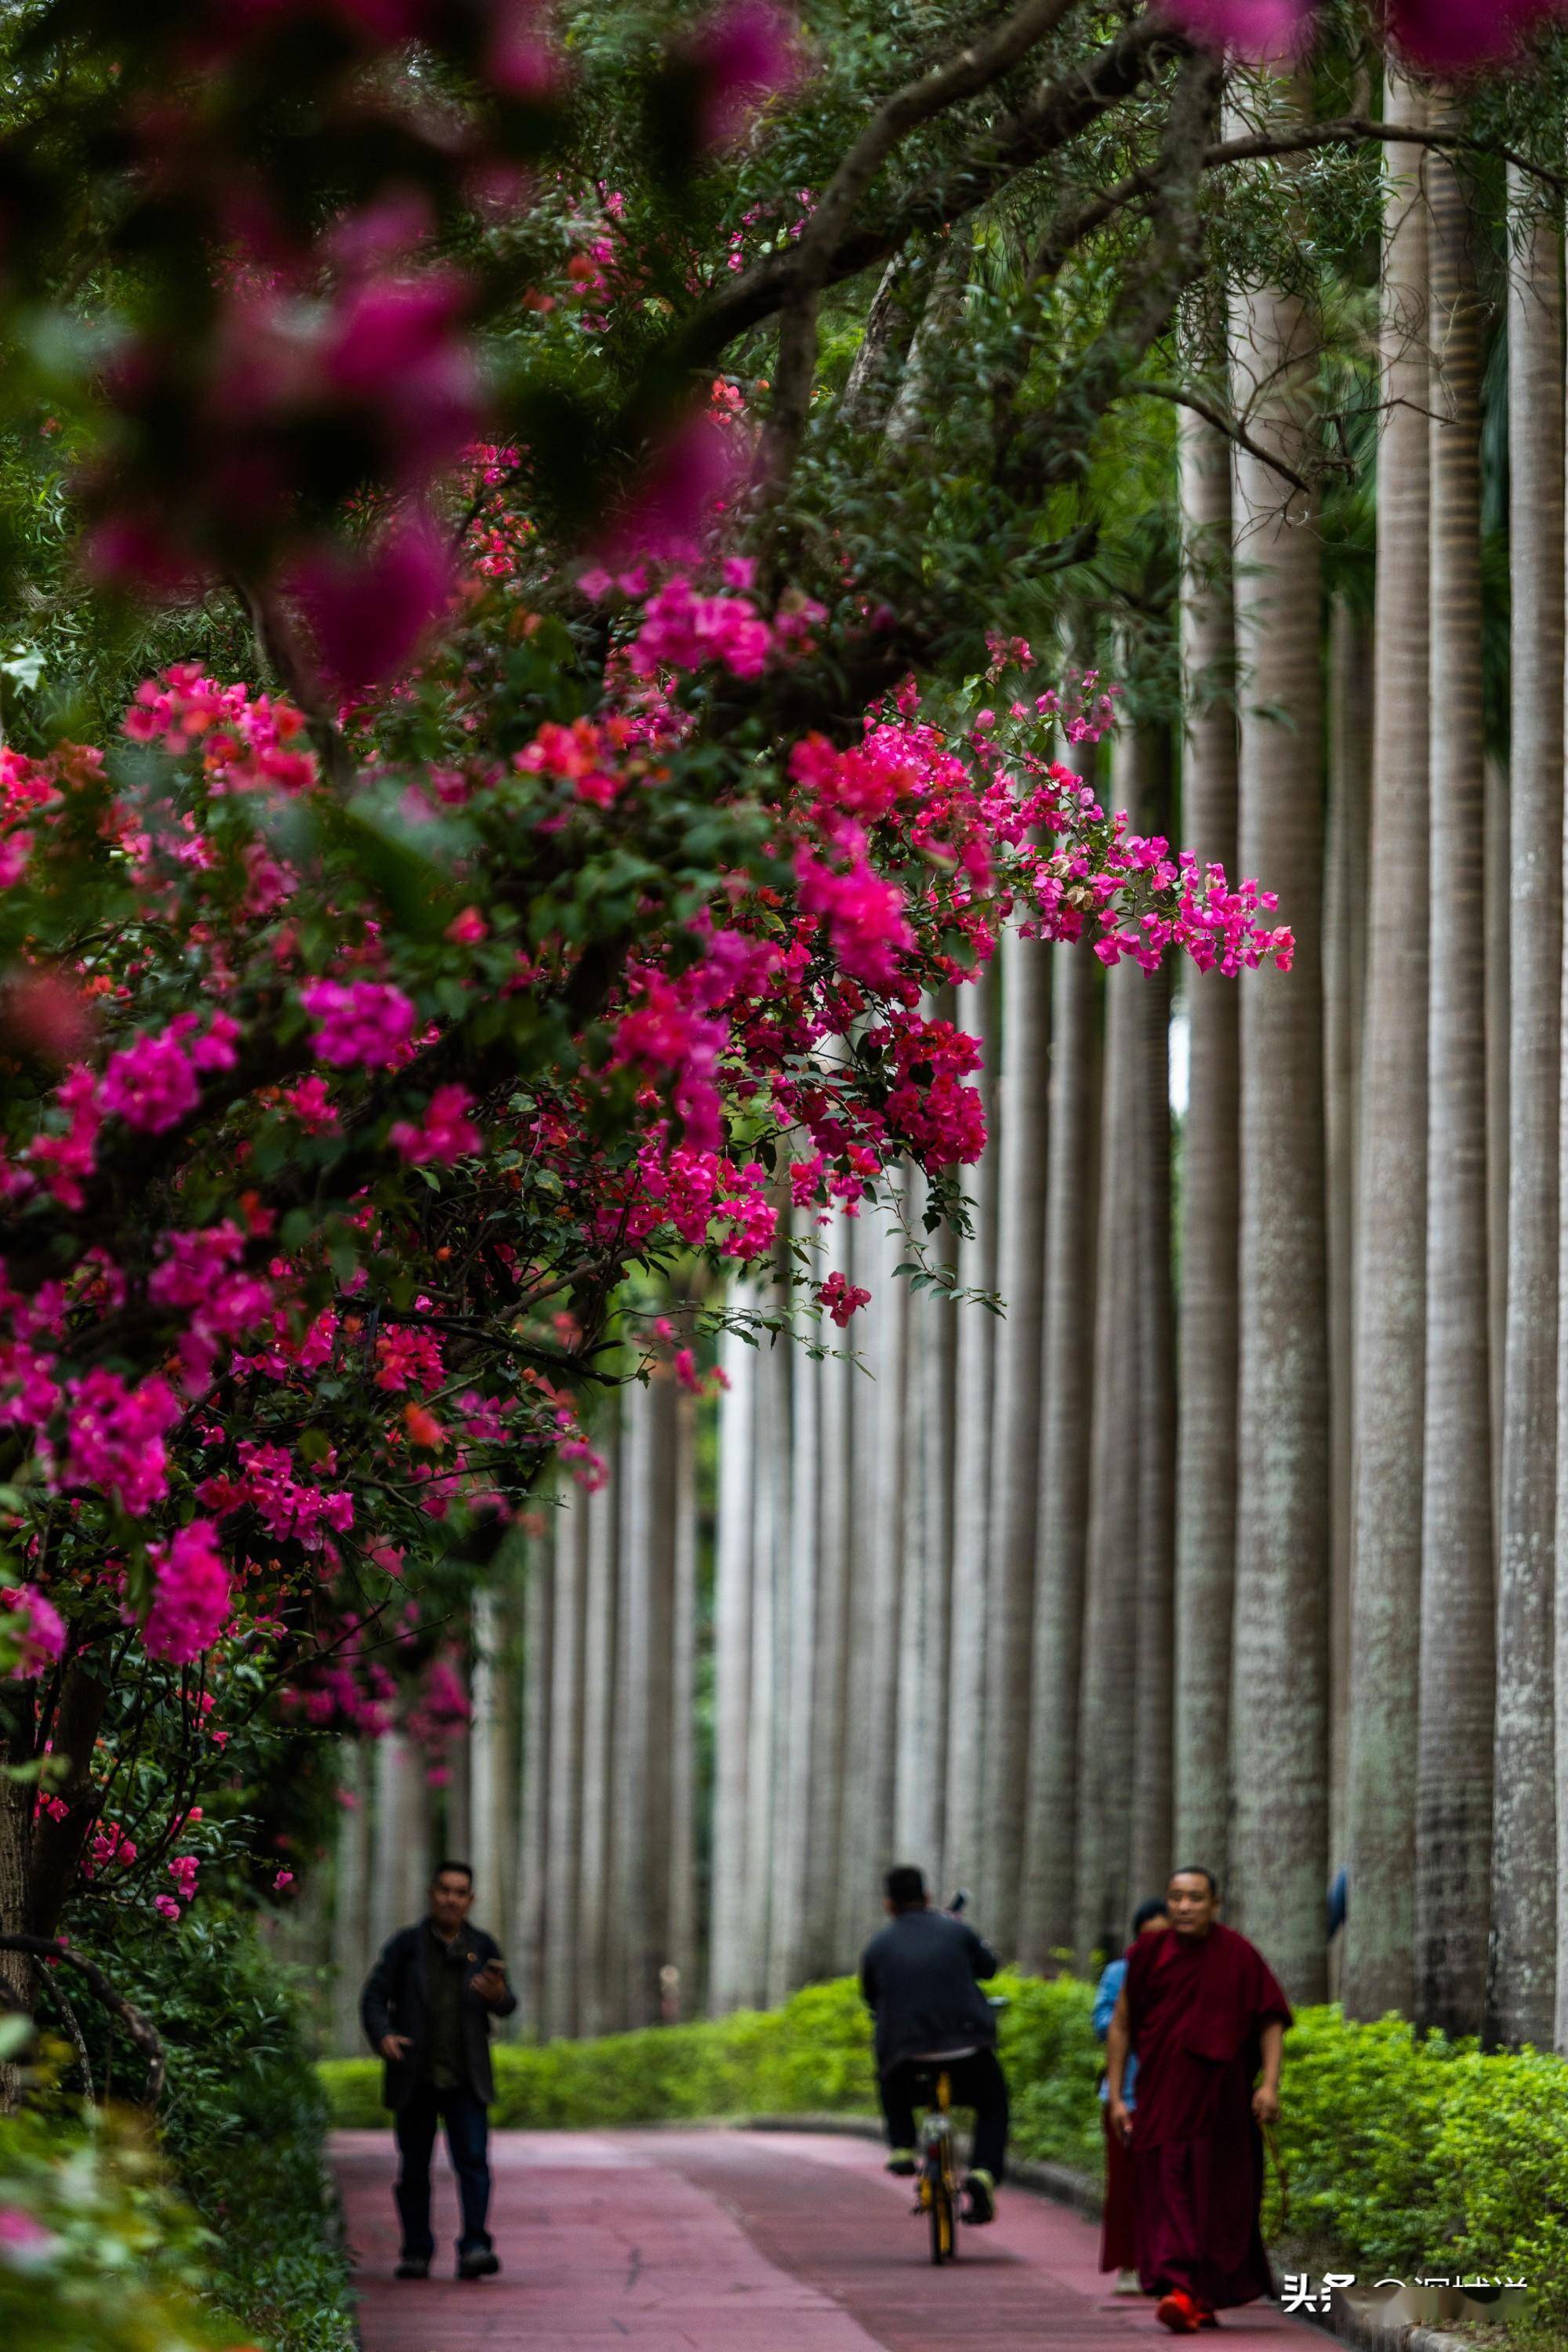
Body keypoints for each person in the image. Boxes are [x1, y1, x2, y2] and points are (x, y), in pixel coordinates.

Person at [1105, 1866, 1292, 2335]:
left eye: (1194, 1898)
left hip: (1223, 2103)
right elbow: (1123, 2024)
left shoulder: (1237, 1955)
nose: (1184, 1907)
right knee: (1165, 2187)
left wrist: (1269, 2085)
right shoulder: (1147, 1954)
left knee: (1220, 2197)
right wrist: (1115, 2096)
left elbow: (1271, 2019)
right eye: (1175, 1898)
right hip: (1163, 2097)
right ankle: (1182, 2291)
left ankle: (1196, 2295)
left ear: (1215, 1904)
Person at [361, 1859, 518, 2281]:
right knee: (413, 2170)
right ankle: (415, 2251)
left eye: (460, 1892)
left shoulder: (482, 1946)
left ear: (471, 1900)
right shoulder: (406, 1946)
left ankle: (475, 2246)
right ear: (432, 1894)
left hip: (466, 2077)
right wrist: (384, 2036)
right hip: (415, 2074)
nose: (451, 1898)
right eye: (445, 1890)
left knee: (474, 2165)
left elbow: (506, 2004)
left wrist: (499, 1995)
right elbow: (373, 1997)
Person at [858, 1865, 1009, 2224]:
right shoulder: (956, 1931)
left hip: (906, 2055)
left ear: (889, 1905)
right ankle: (984, 2172)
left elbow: (870, 1999)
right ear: (926, 1897)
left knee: (889, 2076)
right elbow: (989, 1968)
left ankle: (902, 2146)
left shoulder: (878, 1946)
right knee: (993, 2102)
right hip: (967, 2047)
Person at [1094, 1896, 1171, 2292]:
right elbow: (1103, 2021)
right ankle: (1130, 2264)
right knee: (1126, 2183)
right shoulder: (1119, 1973)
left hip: (1174, 2096)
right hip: (1127, 2093)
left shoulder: (1187, 1972)